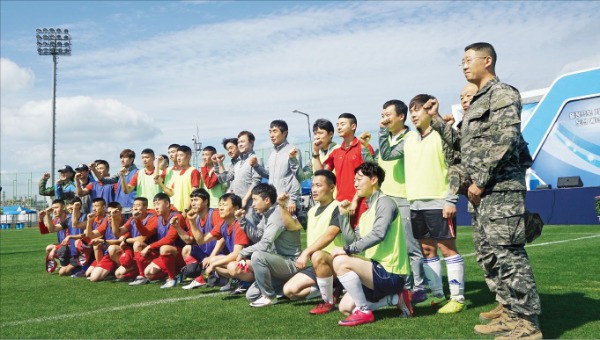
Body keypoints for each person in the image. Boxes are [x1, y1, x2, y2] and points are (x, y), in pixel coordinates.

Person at [431, 42, 542, 338]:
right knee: (489, 255)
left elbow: (505, 138)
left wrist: (480, 180)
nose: (464, 65)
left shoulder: (502, 93)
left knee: (508, 254)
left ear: (487, 60)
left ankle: (527, 323)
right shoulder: (478, 101)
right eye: (461, 62)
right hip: (482, 193)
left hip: (500, 189)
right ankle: (508, 311)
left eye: (469, 60)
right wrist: (438, 122)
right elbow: (465, 147)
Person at [380, 94, 465, 314]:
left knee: (447, 249)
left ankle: (458, 297)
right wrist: (384, 129)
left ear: (429, 110)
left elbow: (457, 164)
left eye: (418, 109)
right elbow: (388, 155)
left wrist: (451, 199)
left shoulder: (441, 134)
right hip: (416, 202)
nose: (415, 114)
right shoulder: (408, 138)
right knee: (427, 250)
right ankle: (437, 295)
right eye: (412, 110)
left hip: (440, 201)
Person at [330, 162, 412, 326]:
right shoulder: (367, 212)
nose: (355, 183)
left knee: (340, 261)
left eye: (359, 179)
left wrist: (346, 250)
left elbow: (378, 234)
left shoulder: (385, 202)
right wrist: (343, 217)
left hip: (391, 272)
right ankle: (394, 299)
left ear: (374, 179)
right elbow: (353, 241)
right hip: (375, 271)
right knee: (345, 307)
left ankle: (364, 311)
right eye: (354, 180)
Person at [374, 99, 428, 304]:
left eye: (388, 115)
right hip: (385, 198)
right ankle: (399, 286)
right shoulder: (385, 140)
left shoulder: (411, 137)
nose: (384, 119)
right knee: (390, 245)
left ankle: (419, 288)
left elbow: (388, 157)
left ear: (401, 116)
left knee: (411, 246)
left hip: (405, 198)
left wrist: (380, 132)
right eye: (382, 115)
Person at [282, 170, 345, 314]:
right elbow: (292, 226)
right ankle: (332, 289)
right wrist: (281, 206)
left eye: (318, 185)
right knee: (289, 291)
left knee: (317, 255)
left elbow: (331, 234)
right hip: (318, 265)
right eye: (313, 186)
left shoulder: (339, 207)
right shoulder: (312, 210)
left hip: (335, 262)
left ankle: (327, 301)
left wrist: (306, 252)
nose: (314, 189)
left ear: (331, 188)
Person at [234, 183, 301, 307]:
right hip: (277, 263)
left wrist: (243, 252)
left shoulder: (277, 215)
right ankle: (288, 286)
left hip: (291, 263)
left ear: (266, 200)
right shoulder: (267, 215)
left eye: (254, 200)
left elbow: (264, 245)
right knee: (251, 295)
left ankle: (270, 297)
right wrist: (242, 220)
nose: (252, 204)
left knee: (258, 256)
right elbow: (257, 236)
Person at [313, 113, 374, 227]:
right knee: (344, 240)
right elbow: (321, 175)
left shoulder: (364, 147)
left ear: (353, 126)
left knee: (362, 239)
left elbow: (369, 176)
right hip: (341, 204)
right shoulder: (336, 152)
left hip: (361, 203)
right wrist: (315, 152)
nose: (339, 127)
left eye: (342, 124)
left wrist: (356, 200)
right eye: (337, 125)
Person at [129, 193, 186, 288]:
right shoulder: (158, 219)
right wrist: (137, 220)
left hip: (179, 254)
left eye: (158, 204)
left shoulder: (177, 217)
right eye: (154, 204)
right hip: (164, 254)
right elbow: (146, 233)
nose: (156, 207)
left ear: (167, 204)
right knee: (148, 273)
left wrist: (149, 247)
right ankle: (142, 276)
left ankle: (172, 278)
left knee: (164, 248)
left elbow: (169, 239)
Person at [170, 188, 222, 289]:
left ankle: (221, 275)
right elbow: (189, 240)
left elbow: (222, 238)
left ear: (206, 201)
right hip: (206, 255)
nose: (193, 203)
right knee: (186, 249)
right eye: (192, 200)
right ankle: (199, 280)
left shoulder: (215, 214)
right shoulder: (195, 217)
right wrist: (177, 227)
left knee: (222, 279)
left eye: (196, 200)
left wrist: (211, 257)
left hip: (220, 254)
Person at [250, 120, 302, 215]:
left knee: (290, 230)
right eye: (270, 132)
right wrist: (256, 166)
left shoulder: (293, 150)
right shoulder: (272, 153)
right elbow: (268, 174)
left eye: (275, 131)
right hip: (273, 202)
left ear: (284, 133)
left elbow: (297, 176)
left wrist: (293, 200)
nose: (271, 135)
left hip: (287, 203)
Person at [213, 131, 262, 223]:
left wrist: (245, 200)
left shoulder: (255, 159)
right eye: (239, 142)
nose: (240, 144)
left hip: (249, 204)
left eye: (242, 142)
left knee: (250, 230)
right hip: (236, 205)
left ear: (251, 142)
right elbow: (225, 178)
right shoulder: (238, 163)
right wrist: (218, 163)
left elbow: (256, 182)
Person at [113, 197, 158, 281]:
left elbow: (143, 238)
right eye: (134, 205)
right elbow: (118, 233)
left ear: (145, 207)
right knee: (118, 274)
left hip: (150, 251)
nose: (135, 208)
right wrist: (114, 218)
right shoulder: (131, 219)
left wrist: (125, 240)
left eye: (138, 205)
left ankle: (141, 276)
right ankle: (138, 269)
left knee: (137, 243)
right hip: (137, 252)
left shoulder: (153, 218)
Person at [84, 201, 126, 282]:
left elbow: (119, 241)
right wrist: (89, 221)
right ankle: (109, 270)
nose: (110, 215)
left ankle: (119, 268)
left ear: (119, 212)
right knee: (89, 275)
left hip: (120, 254)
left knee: (112, 248)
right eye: (108, 213)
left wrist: (102, 241)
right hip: (108, 254)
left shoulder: (126, 223)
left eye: (113, 213)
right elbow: (91, 235)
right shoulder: (107, 221)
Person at [92, 149, 138, 219]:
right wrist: (93, 169)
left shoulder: (138, 173)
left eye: (125, 158)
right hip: (119, 209)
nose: (122, 160)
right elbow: (104, 180)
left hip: (131, 209)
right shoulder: (120, 172)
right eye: (121, 158)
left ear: (132, 159)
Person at [155, 145, 201, 212]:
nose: (178, 158)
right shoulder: (178, 174)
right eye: (178, 156)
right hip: (176, 210)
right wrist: (160, 184)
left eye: (181, 155)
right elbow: (171, 193)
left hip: (188, 211)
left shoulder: (193, 171)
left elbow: (194, 194)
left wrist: (186, 210)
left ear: (189, 156)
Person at [59, 197, 88, 276]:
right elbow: (52, 229)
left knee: (79, 242)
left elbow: (85, 235)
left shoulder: (86, 217)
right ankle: (78, 267)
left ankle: (84, 268)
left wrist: (70, 236)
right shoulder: (68, 219)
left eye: (71, 204)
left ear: (78, 205)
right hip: (74, 252)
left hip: (84, 251)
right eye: (68, 205)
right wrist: (45, 216)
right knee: (61, 272)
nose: (69, 207)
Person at [39, 199, 69, 273]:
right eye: (53, 208)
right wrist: (41, 219)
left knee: (51, 248)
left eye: (56, 207)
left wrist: (55, 248)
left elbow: (69, 241)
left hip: (70, 245)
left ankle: (67, 264)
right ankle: (59, 264)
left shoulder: (69, 219)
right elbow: (44, 231)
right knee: (49, 248)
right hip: (63, 246)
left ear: (63, 207)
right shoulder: (57, 220)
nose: (54, 210)